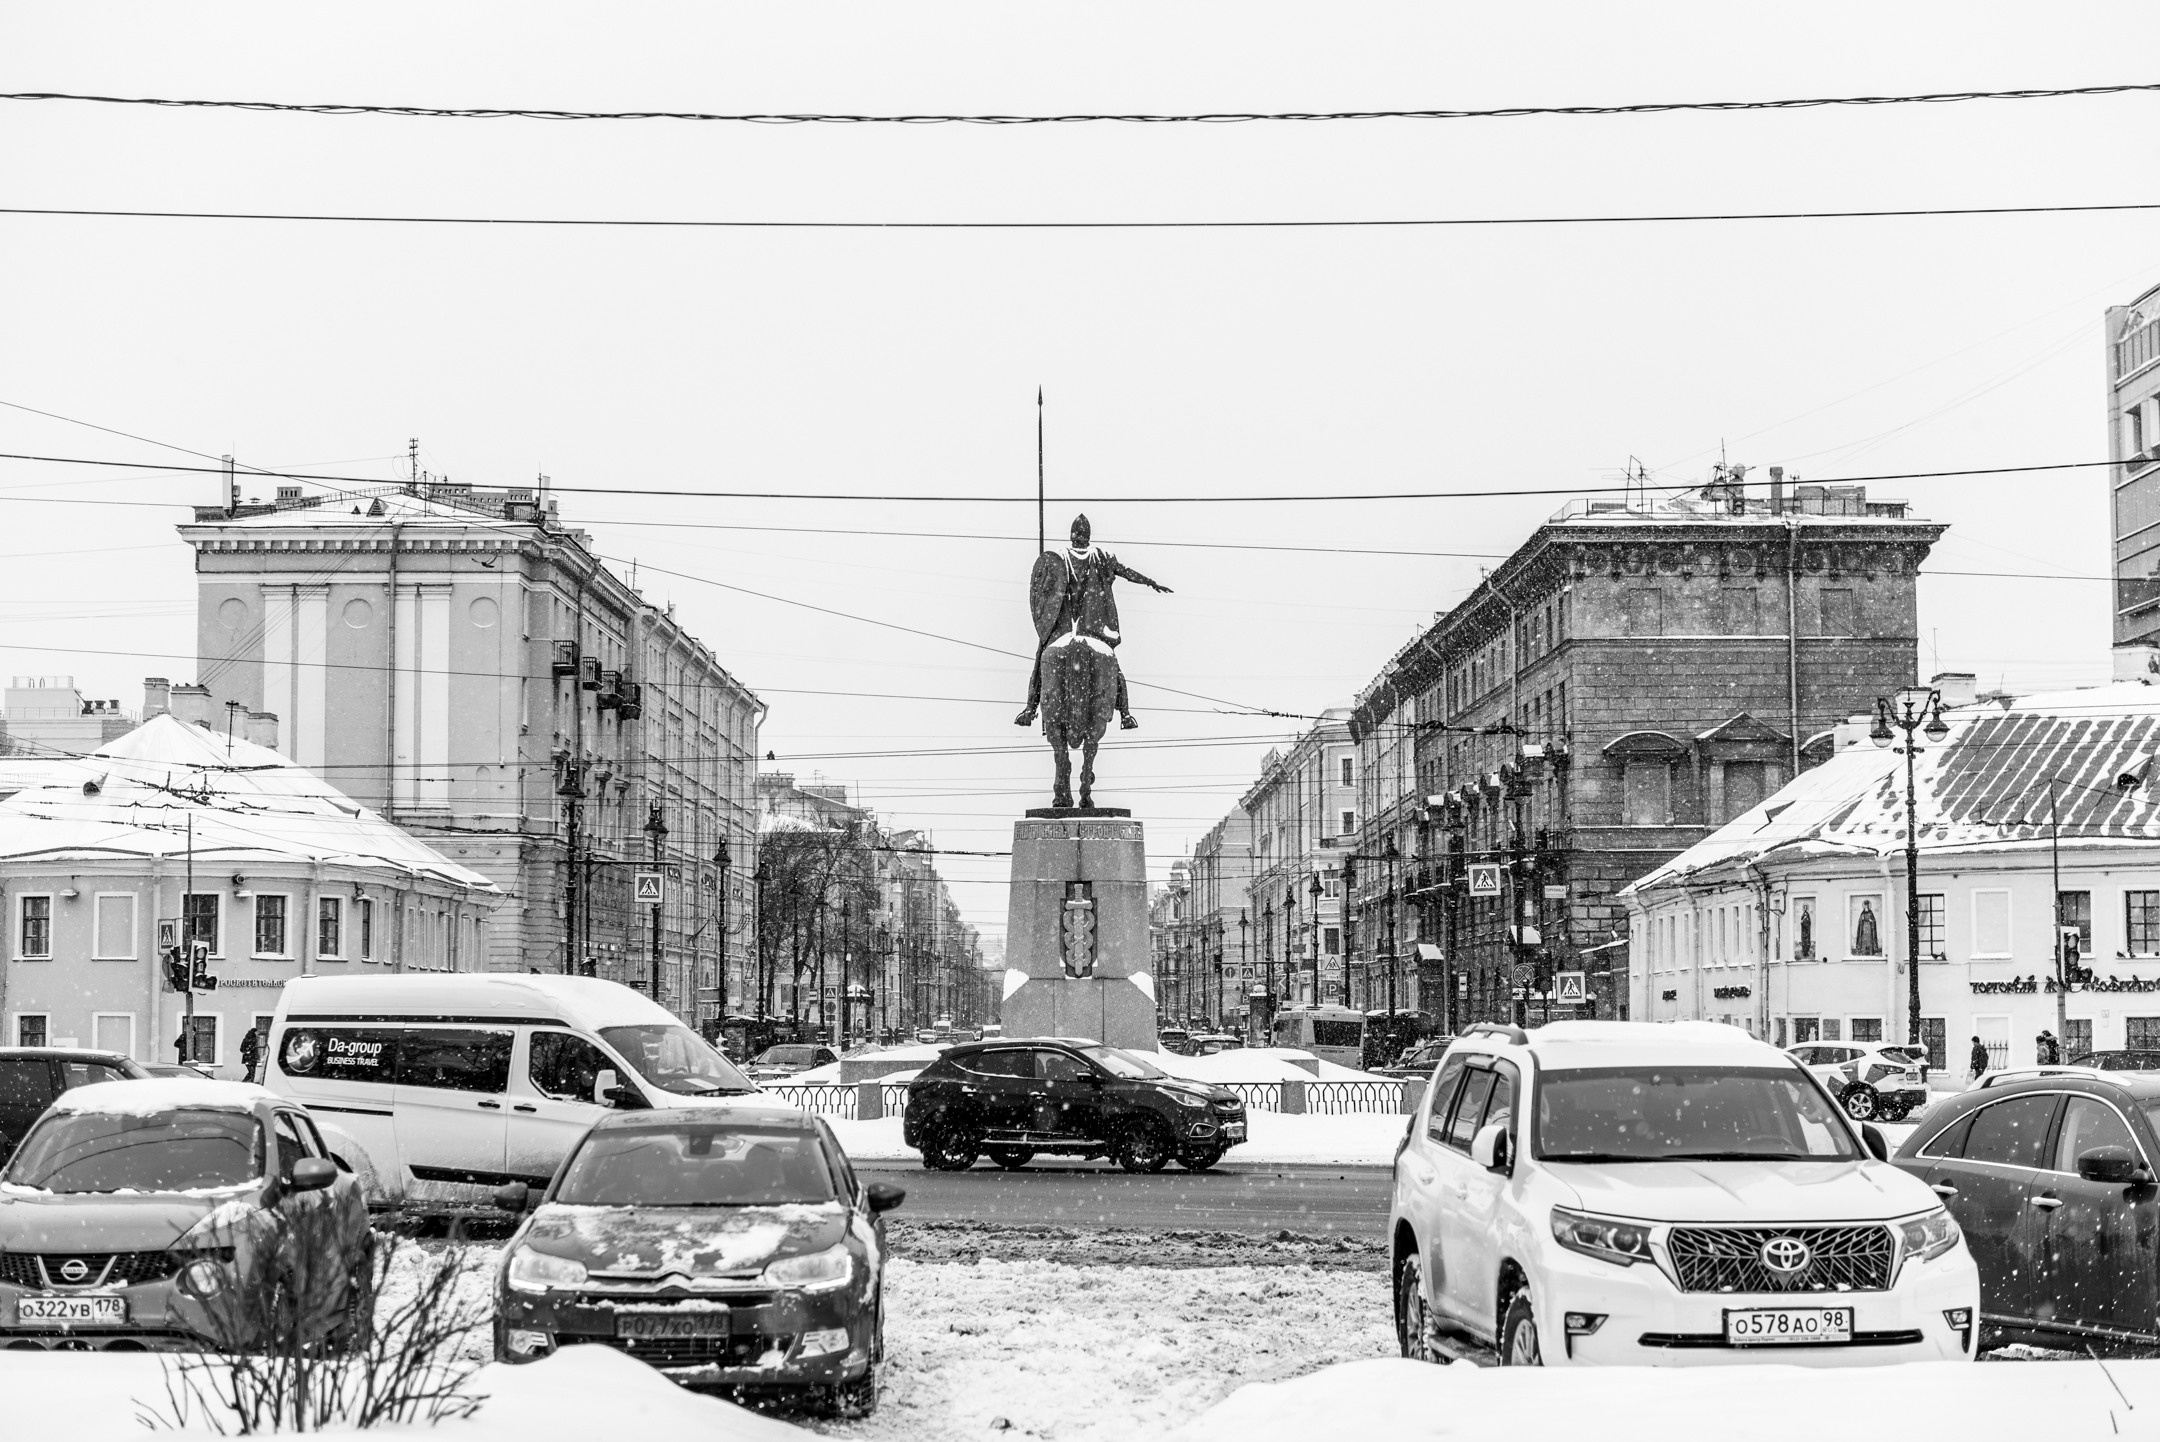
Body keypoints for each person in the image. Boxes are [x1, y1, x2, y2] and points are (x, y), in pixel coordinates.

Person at [1015, 514, 1171, 731]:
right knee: (1113, 666)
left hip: (1064, 626)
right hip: (1092, 625)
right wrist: (1150, 582)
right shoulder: (1101, 557)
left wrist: (1045, 612)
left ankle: (1030, 709)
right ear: (1087, 535)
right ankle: (1126, 714)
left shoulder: (1058, 557)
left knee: (1042, 661)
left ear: (1072, 535)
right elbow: (1126, 572)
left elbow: (1044, 589)